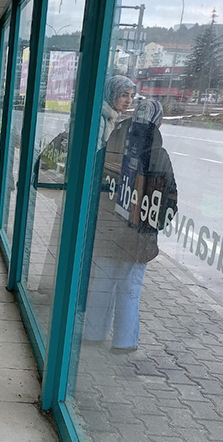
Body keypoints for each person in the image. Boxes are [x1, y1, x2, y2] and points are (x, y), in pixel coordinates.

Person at [84, 89, 178, 353]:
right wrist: (155, 224)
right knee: (129, 289)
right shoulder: (157, 153)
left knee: (101, 285)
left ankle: (92, 334)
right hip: (136, 235)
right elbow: (169, 199)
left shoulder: (112, 145)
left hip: (107, 230)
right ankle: (124, 342)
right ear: (156, 122)